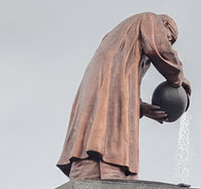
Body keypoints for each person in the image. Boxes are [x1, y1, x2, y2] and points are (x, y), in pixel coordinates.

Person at [57, 13, 191, 180]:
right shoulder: (150, 20)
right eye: (170, 38)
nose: (169, 44)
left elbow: (128, 90)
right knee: (110, 123)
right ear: (165, 25)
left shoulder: (122, 40)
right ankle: (110, 168)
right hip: (112, 80)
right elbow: (160, 49)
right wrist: (178, 78)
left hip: (102, 81)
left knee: (98, 119)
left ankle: (90, 169)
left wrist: (141, 107)